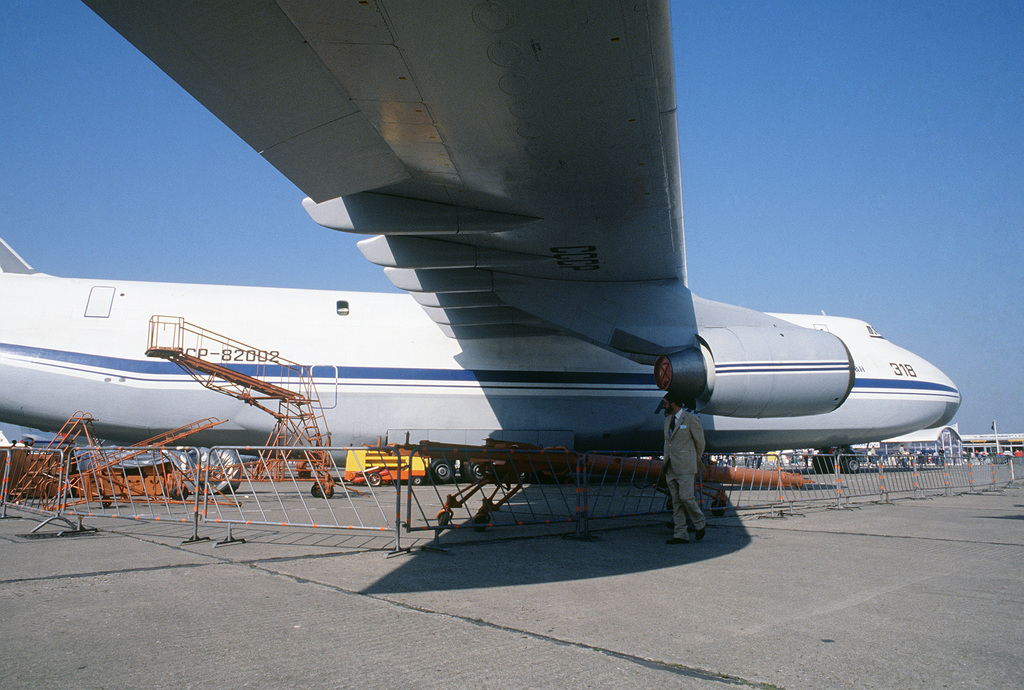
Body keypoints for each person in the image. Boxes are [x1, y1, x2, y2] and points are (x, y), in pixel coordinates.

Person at [661, 391, 707, 544]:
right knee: (676, 501)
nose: (664, 405)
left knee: (686, 497)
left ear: (673, 403)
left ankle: (700, 522)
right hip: (671, 466)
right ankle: (680, 534)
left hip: (686, 466)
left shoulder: (691, 419)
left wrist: (693, 459)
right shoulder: (668, 420)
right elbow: (668, 442)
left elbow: (700, 443)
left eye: (666, 403)